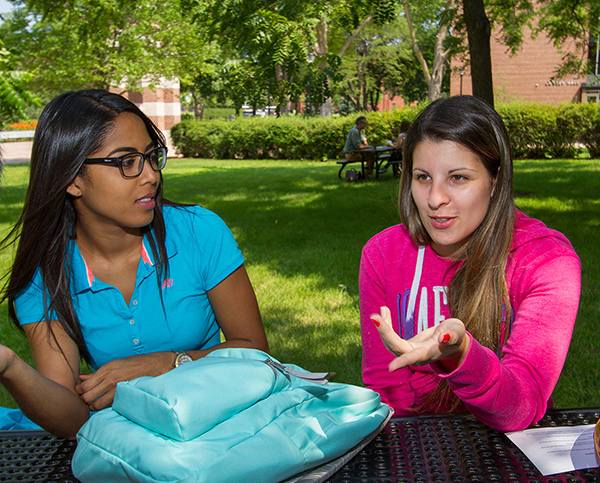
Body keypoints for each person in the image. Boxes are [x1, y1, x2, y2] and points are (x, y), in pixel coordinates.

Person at [0, 90, 269, 439]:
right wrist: (9, 367)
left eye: (151, 156)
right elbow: (72, 420)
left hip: (224, 429)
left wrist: (166, 363)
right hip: (127, 446)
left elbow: (255, 351)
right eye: (126, 162)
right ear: (72, 179)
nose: (151, 176)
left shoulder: (198, 231)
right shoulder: (45, 274)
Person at [360, 95, 580, 432]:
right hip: (415, 445)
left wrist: (460, 353)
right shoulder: (382, 254)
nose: (435, 199)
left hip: (510, 448)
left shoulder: (547, 261)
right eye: (423, 177)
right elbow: (386, 391)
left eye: (458, 178)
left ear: (495, 180)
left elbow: (520, 408)